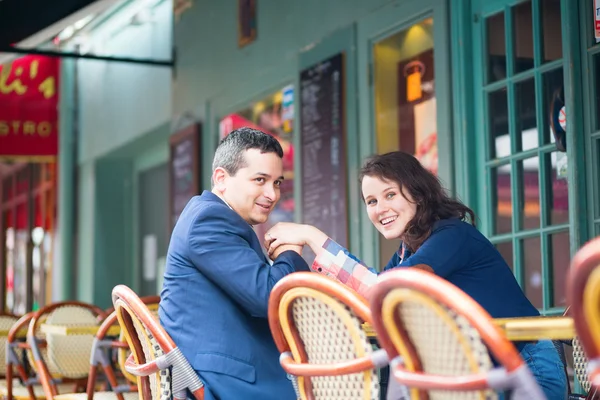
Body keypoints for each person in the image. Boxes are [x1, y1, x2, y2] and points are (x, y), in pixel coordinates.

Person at [264, 151, 567, 399]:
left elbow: (380, 290)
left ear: (418, 193)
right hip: (477, 372)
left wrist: (313, 237)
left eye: (390, 194)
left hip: (526, 368)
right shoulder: (406, 252)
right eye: (371, 201)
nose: (380, 208)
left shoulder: (452, 235)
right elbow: (373, 299)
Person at [159, 127, 310, 400]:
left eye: (277, 182)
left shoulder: (214, 216)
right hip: (223, 381)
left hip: (229, 369)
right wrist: (290, 251)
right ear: (221, 178)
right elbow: (268, 297)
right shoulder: (209, 222)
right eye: (260, 179)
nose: (272, 194)